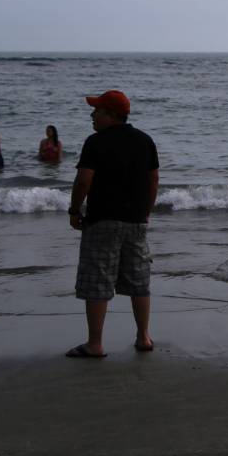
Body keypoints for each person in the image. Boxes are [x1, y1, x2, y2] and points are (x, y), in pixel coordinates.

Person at [66, 90, 159, 358]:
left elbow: (84, 180)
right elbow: (153, 180)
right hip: (136, 221)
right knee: (139, 280)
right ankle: (143, 337)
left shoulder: (96, 142)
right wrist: (147, 212)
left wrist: (74, 210)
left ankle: (95, 343)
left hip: (103, 220)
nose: (92, 115)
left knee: (97, 280)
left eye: (97, 110)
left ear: (111, 114)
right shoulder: (145, 141)